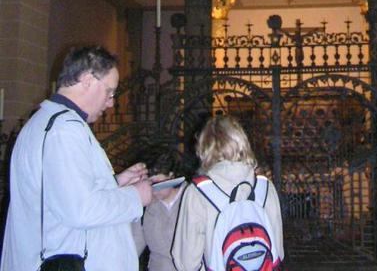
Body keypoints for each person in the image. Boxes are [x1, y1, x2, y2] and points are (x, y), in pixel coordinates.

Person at [0, 45, 154, 271]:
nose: (110, 102)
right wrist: (135, 197)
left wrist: (114, 183)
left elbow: (61, 195)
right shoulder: (63, 130)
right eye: (109, 92)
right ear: (88, 80)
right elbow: (81, 210)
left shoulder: (53, 122)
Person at [171, 115, 284, 271]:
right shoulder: (265, 188)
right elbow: (277, 250)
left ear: (204, 148)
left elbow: (187, 262)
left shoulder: (198, 193)